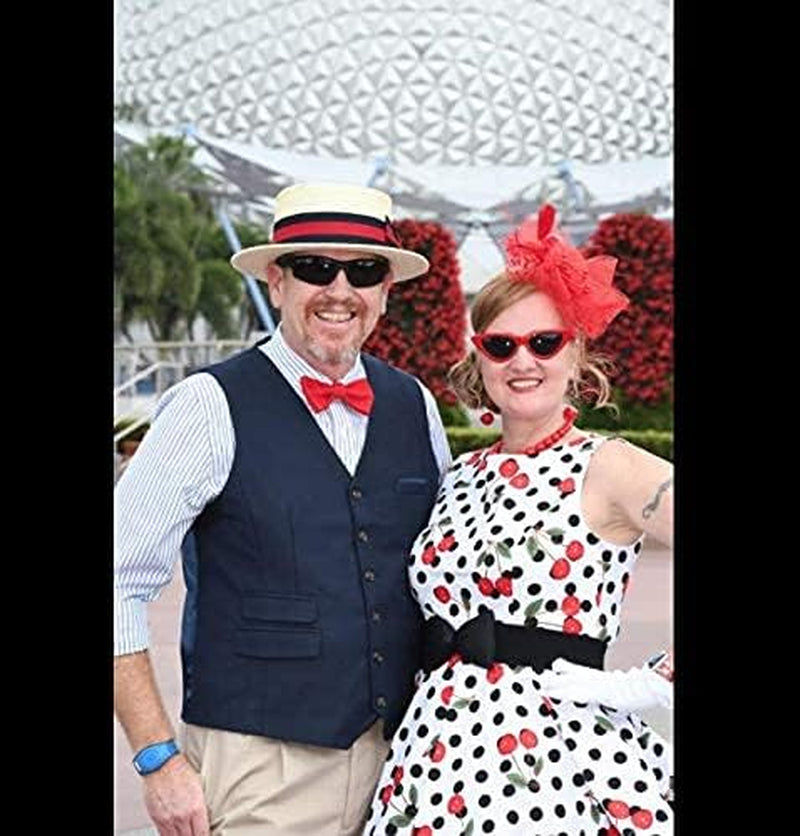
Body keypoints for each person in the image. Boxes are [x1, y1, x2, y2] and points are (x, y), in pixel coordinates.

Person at [114, 181, 453, 836]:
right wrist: (157, 758)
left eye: (363, 270)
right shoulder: (207, 405)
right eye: (314, 267)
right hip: (261, 768)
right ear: (276, 281)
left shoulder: (415, 405)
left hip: (409, 766)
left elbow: (449, 575)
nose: (339, 290)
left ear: (386, 290)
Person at [362, 205, 674, 835]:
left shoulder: (610, 467)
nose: (522, 361)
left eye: (544, 341)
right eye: (500, 345)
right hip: (433, 758)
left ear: (576, 350)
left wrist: (654, 681)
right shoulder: (460, 472)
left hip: (560, 759)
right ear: (478, 359)